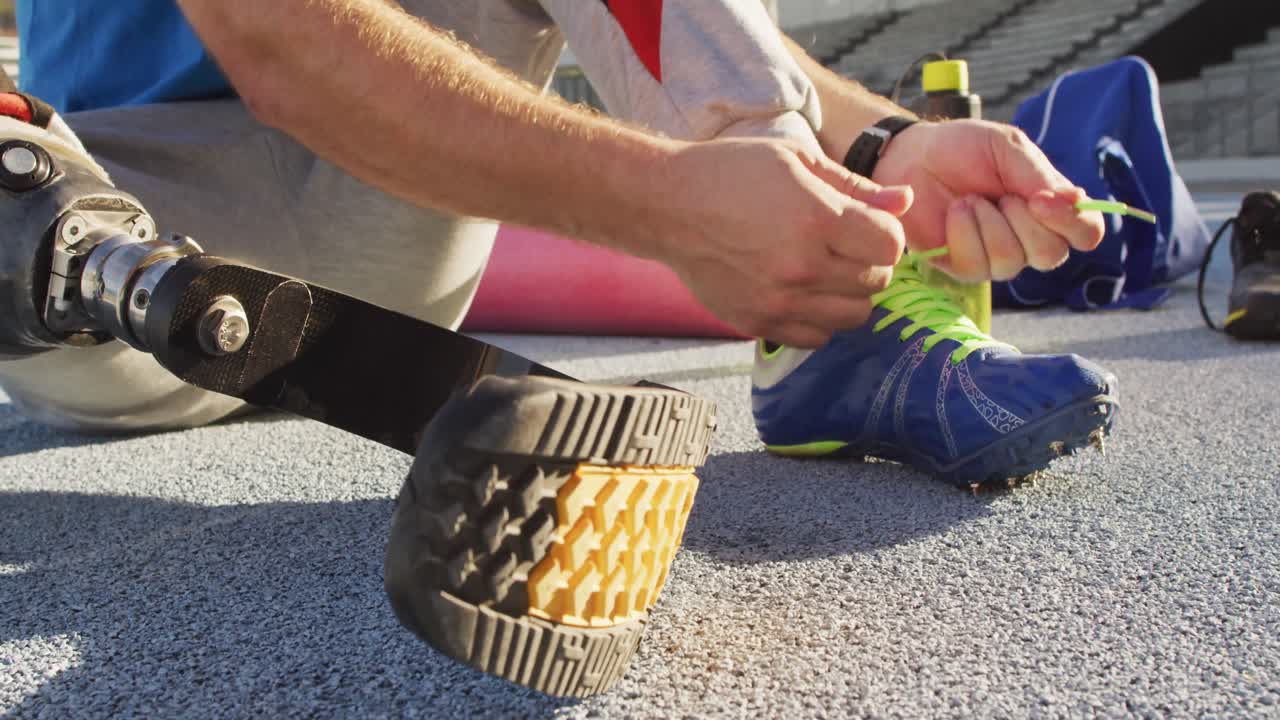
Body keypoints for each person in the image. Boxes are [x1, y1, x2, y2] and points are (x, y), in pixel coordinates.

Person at [0, 0, 1117, 697]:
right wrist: (672, 208)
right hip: (114, 209)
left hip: (385, 200)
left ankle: (825, 311)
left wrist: (882, 146)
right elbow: (278, 36)